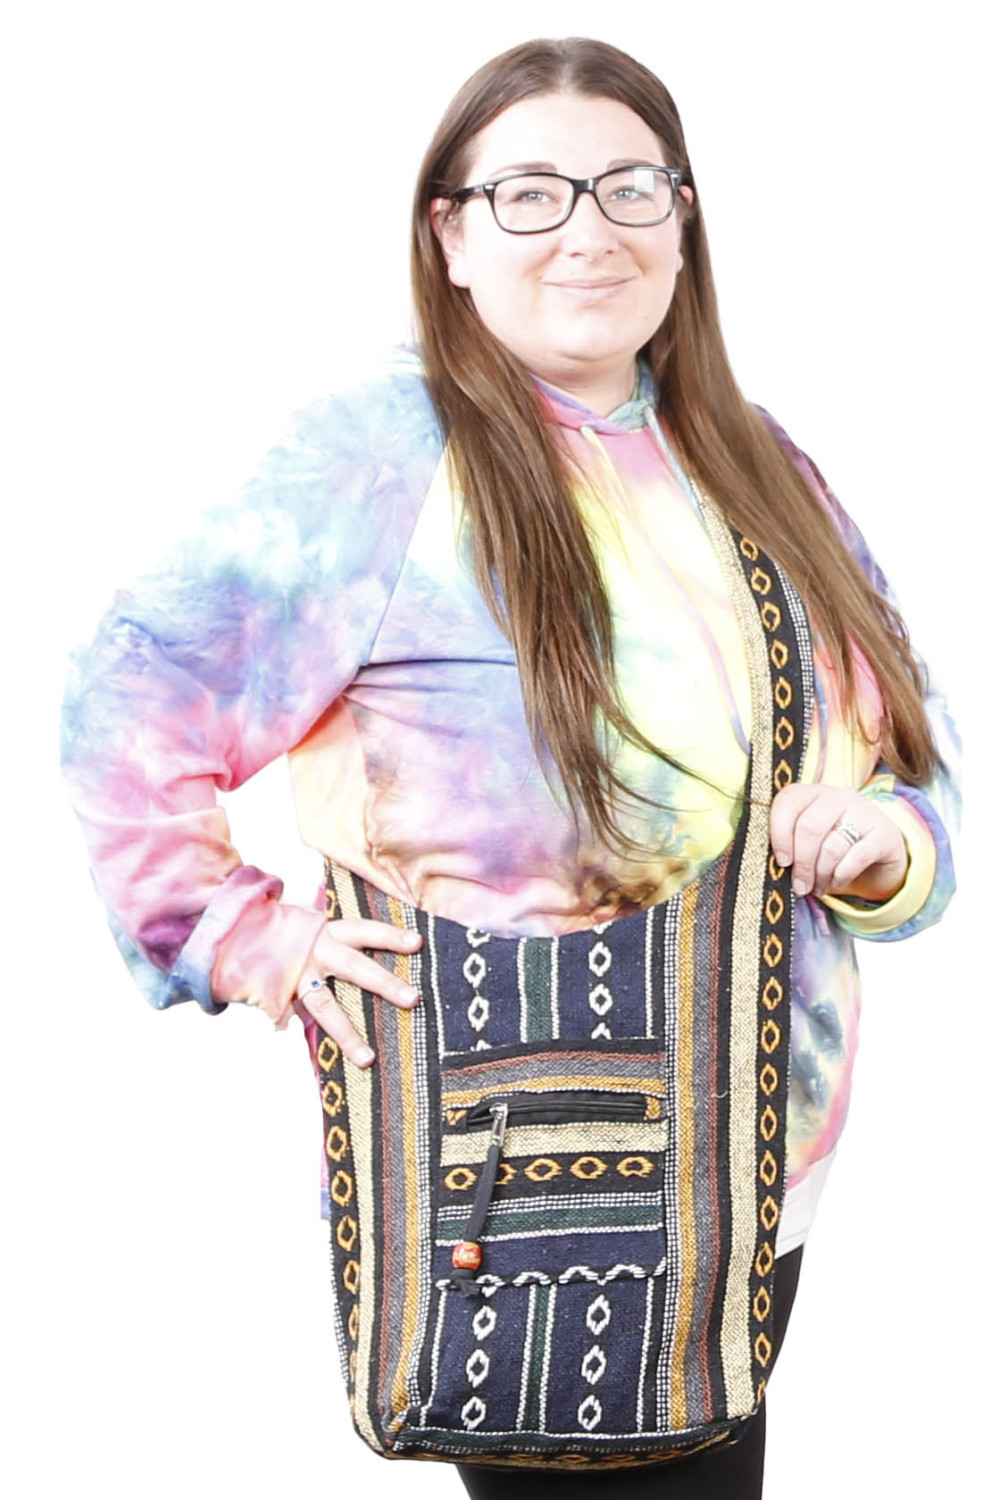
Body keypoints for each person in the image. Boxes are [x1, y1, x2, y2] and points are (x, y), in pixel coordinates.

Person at [60, 35, 959, 1500]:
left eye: (629, 187)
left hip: (762, 1178)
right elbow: (132, 698)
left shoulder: (757, 462)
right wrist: (235, 933)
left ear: (683, 221)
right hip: (534, 1186)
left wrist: (886, 845)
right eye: (530, 193)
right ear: (453, 237)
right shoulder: (382, 457)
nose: (589, 230)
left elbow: (913, 755)